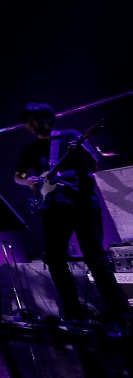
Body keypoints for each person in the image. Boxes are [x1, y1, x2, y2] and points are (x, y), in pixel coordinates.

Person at [13, 102, 131, 330]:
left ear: (48, 119)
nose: (30, 125)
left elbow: (93, 165)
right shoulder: (29, 149)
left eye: (34, 120)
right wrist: (28, 181)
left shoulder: (71, 136)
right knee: (55, 260)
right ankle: (74, 314)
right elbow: (17, 176)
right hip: (52, 207)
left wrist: (81, 151)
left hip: (82, 204)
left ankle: (120, 316)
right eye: (27, 122)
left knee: (96, 259)